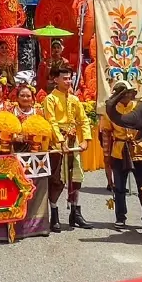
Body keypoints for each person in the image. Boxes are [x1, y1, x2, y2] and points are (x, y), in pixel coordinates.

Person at [43, 66, 93, 232]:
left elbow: (84, 120)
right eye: (64, 78)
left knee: (76, 178)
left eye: (70, 78)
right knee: (57, 180)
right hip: (57, 144)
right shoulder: (50, 99)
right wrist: (60, 141)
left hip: (73, 142)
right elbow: (51, 122)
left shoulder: (74, 99)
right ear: (55, 80)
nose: (68, 81)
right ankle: (54, 214)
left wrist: (86, 139)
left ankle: (75, 213)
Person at [106, 82, 142, 232]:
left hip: (138, 150)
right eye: (121, 93)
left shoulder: (139, 107)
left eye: (127, 92)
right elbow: (106, 133)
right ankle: (120, 217)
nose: (125, 95)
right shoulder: (110, 110)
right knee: (119, 188)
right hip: (118, 151)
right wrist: (106, 155)